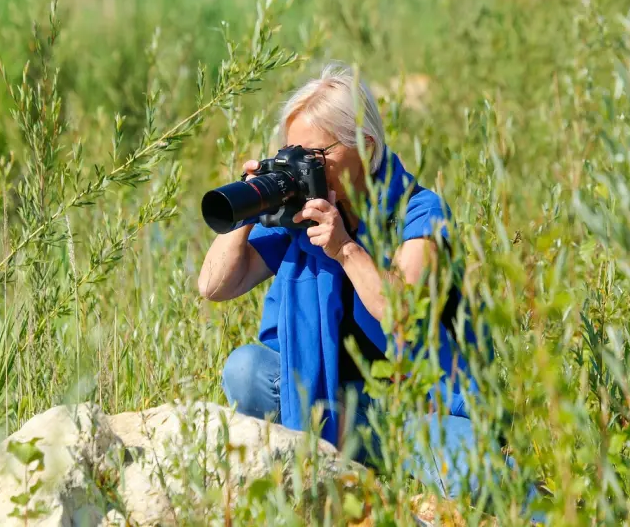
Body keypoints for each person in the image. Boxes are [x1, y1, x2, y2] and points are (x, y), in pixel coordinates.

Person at [197, 62, 496, 501]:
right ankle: (335, 450)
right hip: (327, 400)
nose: (301, 171)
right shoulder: (299, 216)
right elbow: (214, 285)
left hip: (408, 407)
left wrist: (345, 248)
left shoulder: (419, 211)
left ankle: (385, 457)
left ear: (365, 146)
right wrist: (251, 202)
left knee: (478, 475)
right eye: (291, 155)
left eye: (313, 158)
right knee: (246, 370)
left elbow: (403, 312)